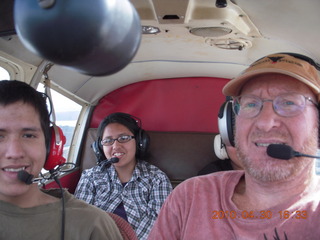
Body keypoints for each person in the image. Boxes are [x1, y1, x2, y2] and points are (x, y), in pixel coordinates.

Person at [148, 53, 320, 240]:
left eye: (289, 103)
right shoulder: (190, 196)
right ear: (230, 126)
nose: (265, 122)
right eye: (251, 104)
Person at [0, 80, 136, 240]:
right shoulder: (90, 177)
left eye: (28, 135)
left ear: (50, 145)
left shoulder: (92, 225)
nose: (14, 153)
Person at [75, 112, 172, 240]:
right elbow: (80, 221)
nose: (116, 146)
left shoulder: (157, 179)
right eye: (108, 141)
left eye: (124, 138)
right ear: (99, 147)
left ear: (139, 142)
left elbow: (160, 225)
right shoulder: (90, 178)